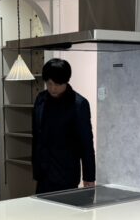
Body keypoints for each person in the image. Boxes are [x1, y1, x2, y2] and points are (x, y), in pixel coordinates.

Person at [32, 58, 96, 194]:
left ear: (66, 81)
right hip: (43, 173)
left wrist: (89, 177)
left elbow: (86, 143)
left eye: (57, 84)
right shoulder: (41, 99)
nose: (53, 88)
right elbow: (36, 135)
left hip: (66, 174)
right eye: (49, 83)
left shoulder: (79, 104)